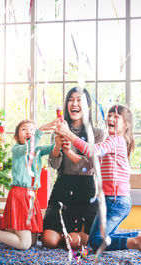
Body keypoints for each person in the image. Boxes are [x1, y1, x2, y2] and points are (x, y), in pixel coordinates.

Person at [56, 104, 141, 258]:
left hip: (115, 200)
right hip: (115, 200)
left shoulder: (115, 140)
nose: (111, 118)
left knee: (97, 242)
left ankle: (136, 242)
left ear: (126, 125)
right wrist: (67, 151)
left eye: (116, 117)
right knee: (99, 238)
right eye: (110, 115)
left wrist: (69, 134)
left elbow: (91, 150)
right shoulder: (111, 143)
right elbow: (88, 162)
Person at [0, 119, 57, 250]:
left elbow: (52, 148)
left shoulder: (37, 150)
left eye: (32, 129)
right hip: (20, 195)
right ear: (16, 137)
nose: (29, 131)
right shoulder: (18, 150)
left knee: (33, 241)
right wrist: (41, 129)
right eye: (24, 129)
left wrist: (57, 134)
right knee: (24, 244)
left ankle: (1, 222)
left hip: (31, 197)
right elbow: (28, 147)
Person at [41, 87, 105, 250]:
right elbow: (54, 165)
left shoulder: (97, 134)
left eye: (79, 100)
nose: (74, 103)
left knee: (76, 243)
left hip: (86, 190)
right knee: (49, 241)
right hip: (63, 187)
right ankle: (65, 233)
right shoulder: (59, 130)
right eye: (70, 100)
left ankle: (70, 235)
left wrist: (69, 145)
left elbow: (89, 164)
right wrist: (56, 147)